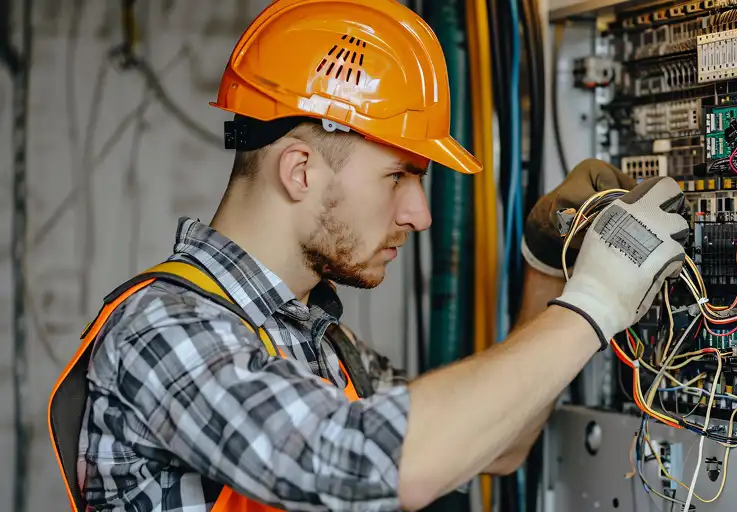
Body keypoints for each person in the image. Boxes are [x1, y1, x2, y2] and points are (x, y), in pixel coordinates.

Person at [47, 1, 686, 511]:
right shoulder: (165, 329)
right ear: (300, 171)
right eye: (397, 177)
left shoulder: (320, 344)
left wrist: (549, 267)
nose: (421, 215)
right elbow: (371, 463)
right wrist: (594, 304)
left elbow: (495, 447)